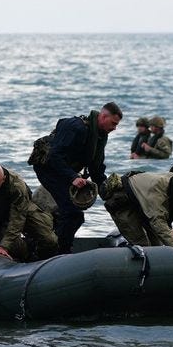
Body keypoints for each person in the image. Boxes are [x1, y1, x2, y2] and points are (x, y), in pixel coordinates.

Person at [28, 102, 123, 253]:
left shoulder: (99, 136)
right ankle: (57, 251)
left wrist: (108, 192)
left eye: (116, 125)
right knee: (73, 214)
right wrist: (72, 177)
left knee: (70, 214)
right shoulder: (76, 127)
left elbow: (96, 168)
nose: (114, 128)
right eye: (113, 123)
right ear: (103, 116)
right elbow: (54, 157)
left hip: (64, 171)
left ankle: (54, 244)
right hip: (48, 168)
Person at [101, 171, 173, 253]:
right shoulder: (158, 192)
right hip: (124, 201)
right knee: (143, 245)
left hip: (145, 203)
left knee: (157, 246)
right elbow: (158, 223)